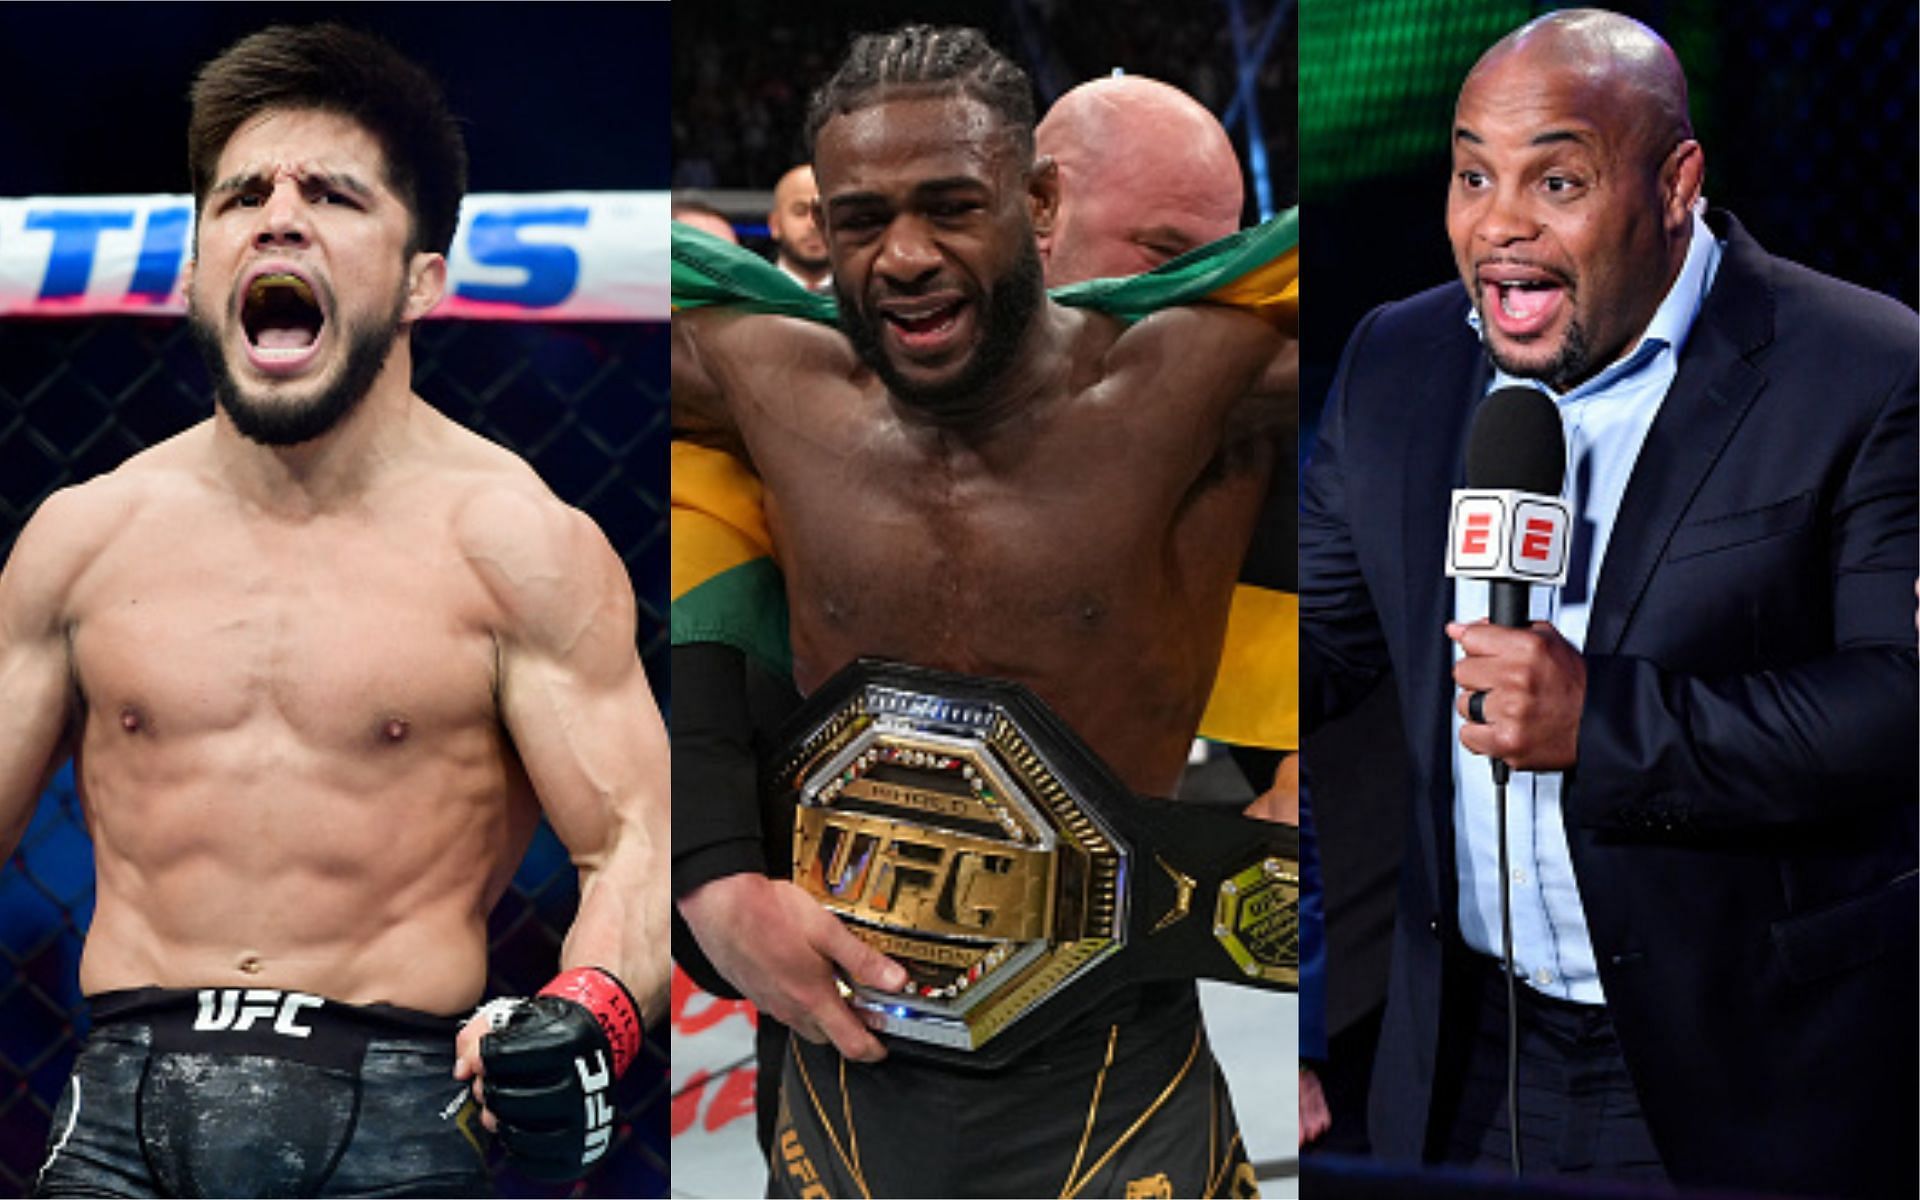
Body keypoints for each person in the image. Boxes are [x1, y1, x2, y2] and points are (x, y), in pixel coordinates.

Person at [0, 25, 669, 1197]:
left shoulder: (516, 545)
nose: (279, 215)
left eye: (334, 195)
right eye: (242, 194)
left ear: (422, 279)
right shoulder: (83, 538)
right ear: (200, 262)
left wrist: (591, 1007)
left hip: (400, 1110)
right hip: (118, 1113)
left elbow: (632, 846)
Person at [1300, 9, 1916, 1196]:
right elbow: (1306, 656)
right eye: (1472, 172)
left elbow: (1901, 699)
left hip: (1743, 1070)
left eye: (1559, 179)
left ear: (1677, 182)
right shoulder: (1397, 362)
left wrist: (1608, 724)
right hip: (1460, 1060)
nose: (1499, 226)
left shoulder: (1867, 369)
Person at [673, 25, 1291, 1198]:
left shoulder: (1194, 382)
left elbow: (1449, 343)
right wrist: (704, 872)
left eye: (951, 207)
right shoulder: (767, 376)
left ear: (1039, 200)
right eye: (862, 220)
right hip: (843, 1062)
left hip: (1116, 1067)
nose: (903, 255)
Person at [766, 164, 831, 290]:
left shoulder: (866, 296)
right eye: (800, 211)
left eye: (823, 213)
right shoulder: (749, 295)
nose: (814, 224)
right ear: (775, 224)